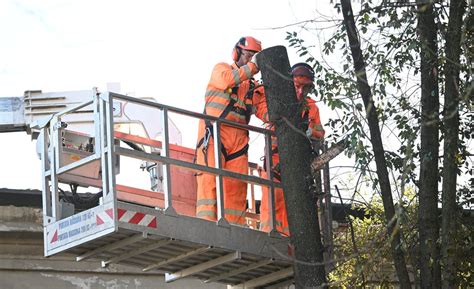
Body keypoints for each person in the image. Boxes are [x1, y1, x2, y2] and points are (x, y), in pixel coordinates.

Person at [195, 36, 262, 225]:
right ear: (237, 52)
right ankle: (206, 224)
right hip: (215, 132)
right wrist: (254, 67)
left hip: (239, 137)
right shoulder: (222, 69)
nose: (250, 59)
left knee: (237, 185)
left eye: (254, 57)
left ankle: (235, 227)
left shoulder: (252, 86)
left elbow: (262, 110)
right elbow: (227, 81)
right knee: (209, 179)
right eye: (248, 55)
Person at [254, 62, 325, 235]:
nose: (301, 92)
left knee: (294, 206)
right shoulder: (276, 99)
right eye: (298, 86)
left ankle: (290, 242)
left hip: (298, 165)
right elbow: (259, 107)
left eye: (306, 88)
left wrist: (310, 131)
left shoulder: (311, 107)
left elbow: (320, 132)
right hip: (274, 162)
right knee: (273, 203)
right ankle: (269, 237)